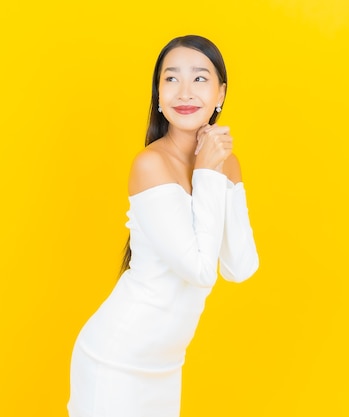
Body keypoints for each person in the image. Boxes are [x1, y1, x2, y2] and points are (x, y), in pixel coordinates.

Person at [67, 35, 259, 417]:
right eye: (171, 79)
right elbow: (201, 271)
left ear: (221, 94)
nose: (184, 91)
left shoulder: (223, 163)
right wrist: (206, 171)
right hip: (115, 362)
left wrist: (223, 173)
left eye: (200, 79)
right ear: (158, 95)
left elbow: (240, 266)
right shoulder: (150, 165)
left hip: (166, 369)